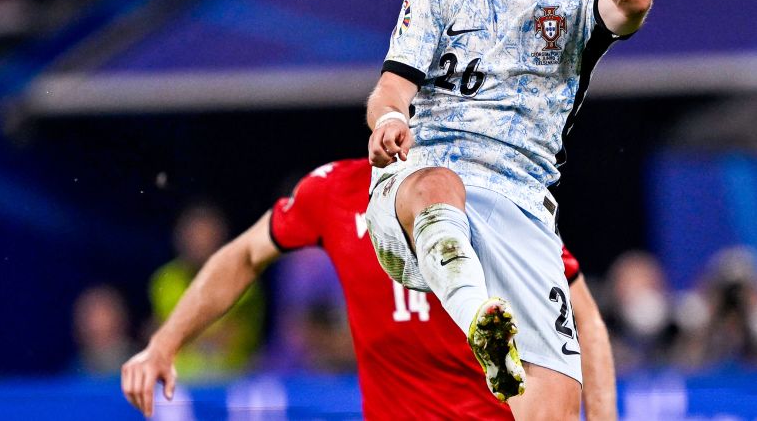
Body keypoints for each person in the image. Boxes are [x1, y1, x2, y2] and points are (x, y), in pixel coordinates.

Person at [363, 0, 651, 416]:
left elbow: (635, 1)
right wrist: (391, 118)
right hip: (417, 191)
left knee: (551, 410)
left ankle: (492, 333)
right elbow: (391, 88)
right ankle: (481, 322)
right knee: (439, 185)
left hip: (521, 211)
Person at [122, 158, 616, 420]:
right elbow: (245, 254)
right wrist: (163, 345)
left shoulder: (493, 204)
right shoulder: (335, 192)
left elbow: (584, 316)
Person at [147, 204, 265, 379]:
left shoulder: (243, 278)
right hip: (176, 383)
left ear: (220, 237)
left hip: (227, 381)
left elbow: (228, 339)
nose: (199, 242)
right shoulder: (165, 279)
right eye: (193, 235)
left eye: (205, 235)